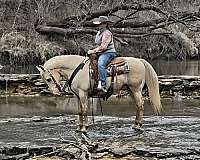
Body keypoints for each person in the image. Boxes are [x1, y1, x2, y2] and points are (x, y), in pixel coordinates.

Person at [88, 16, 117, 92]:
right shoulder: (98, 33)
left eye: (100, 24)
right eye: (99, 24)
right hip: (101, 52)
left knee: (101, 64)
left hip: (109, 52)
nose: (99, 25)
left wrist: (93, 51)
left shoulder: (107, 33)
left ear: (105, 24)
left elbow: (103, 47)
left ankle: (102, 85)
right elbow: (98, 44)